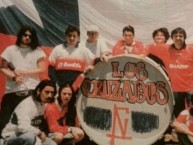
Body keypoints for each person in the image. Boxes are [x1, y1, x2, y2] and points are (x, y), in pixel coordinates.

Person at [0, 25, 46, 135]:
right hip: (11, 91)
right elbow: (2, 67)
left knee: (27, 123)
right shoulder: (10, 50)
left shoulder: (37, 51)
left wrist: (24, 72)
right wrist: (14, 77)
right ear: (20, 35)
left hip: (30, 91)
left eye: (30, 36)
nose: (27, 37)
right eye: (25, 35)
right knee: (4, 123)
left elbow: (42, 69)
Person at [1, 79, 57, 145]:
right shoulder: (27, 104)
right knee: (29, 137)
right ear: (39, 91)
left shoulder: (42, 104)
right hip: (11, 137)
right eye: (47, 92)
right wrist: (39, 132)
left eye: (52, 93)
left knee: (51, 143)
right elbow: (23, 127)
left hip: (32, 135)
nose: (50, 95)